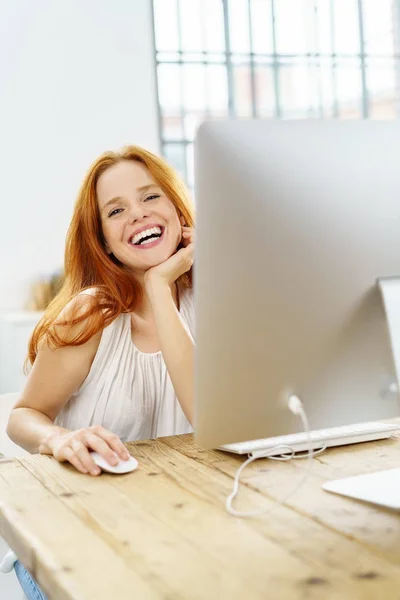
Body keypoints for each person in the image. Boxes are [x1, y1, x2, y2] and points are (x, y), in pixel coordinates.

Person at [1, 145, 196, 600]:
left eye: (151, 198)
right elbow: (23, 414)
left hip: (173, 525)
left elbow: (206, 415)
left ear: (177, 208)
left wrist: (159, 287)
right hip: (73, 531)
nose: (138, 215)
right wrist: (59, 439)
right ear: (104, 240)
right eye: (116, 210)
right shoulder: (91, 313)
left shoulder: (214, 303)